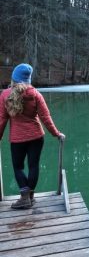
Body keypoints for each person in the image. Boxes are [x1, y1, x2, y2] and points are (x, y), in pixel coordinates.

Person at [0, 63, 65, 209]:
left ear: (14, 78)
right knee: (33, 166)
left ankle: (25, 198)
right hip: (36, 137)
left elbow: (2, 119)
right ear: (28, 79)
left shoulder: (5, 95)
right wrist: (56, 133)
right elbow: (45, 117)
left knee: (18, 167)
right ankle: (29, 197)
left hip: (17, 139)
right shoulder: (35, 94)